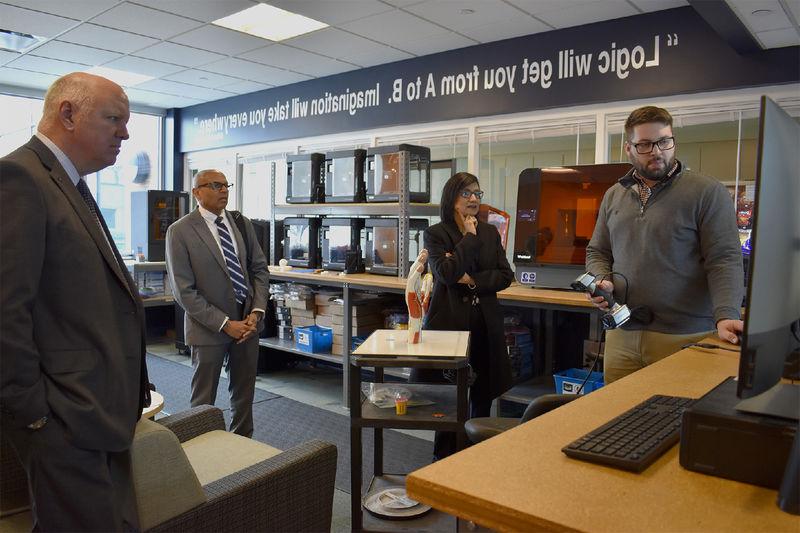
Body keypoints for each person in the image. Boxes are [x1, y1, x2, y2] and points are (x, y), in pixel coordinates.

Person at [0, 72, 150, 531]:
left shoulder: (73, 184)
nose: (125, 133)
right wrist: (39, 418)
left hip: (98, 414)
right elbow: (5, 311)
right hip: (64, 419)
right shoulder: (20, 178)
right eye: (114, 119)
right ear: (68, 113)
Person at [585, 105, 744, 384]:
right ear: (629, 149)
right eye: (645, 144)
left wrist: (726, 314)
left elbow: (724, 259)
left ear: (673, 141)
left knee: (675, 424)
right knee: (615, 423)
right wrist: (601, 279)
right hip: (623, 333)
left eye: (664, 141)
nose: (657, 151)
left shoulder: (706, 192)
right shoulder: (614, 195)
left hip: (685, 336)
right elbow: (597, 250)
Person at [411, 172, 515, 460]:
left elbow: (506, 276)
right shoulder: (436, 234)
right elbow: (445, 274)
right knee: (448, 398)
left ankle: (475, 455)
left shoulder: (491, 232)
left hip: (485, 323)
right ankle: (444, 458)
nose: (473, 199)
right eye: (466, 194)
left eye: (477, 194)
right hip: (451, 325)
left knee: (482, 393)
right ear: (452, 199)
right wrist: (468, 238)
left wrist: (471, 279)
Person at [166, 169, 269, 438]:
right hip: (208, 329)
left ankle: (243, 446)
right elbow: (183, 291)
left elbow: (259, 270)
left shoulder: (241, 224)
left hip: (247, 326)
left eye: (226, 185)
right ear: (197, 192)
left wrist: (256, 313)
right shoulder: (180, 232)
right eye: (215, 185)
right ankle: (202, 452)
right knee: (203, 401)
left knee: (244, 397)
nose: (223, 190)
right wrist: (225, 324)